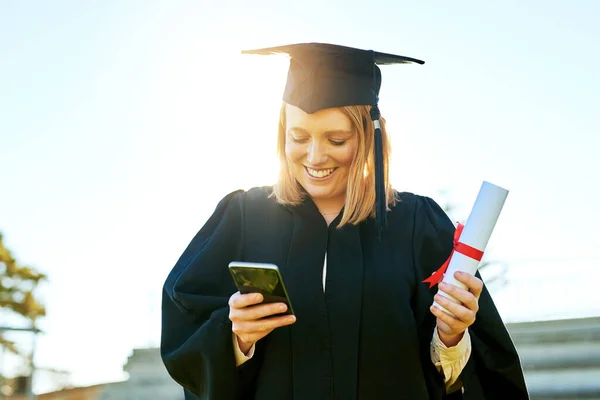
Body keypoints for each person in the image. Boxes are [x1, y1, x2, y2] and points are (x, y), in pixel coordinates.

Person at [160, 43, 529, 400]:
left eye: (336, 139)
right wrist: (236, 338)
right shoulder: (242, 217)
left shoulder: (416, 223)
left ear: (369, 137)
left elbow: (471, 372)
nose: (315, 157)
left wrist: (450, 337)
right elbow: (187, 336)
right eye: (298, 137)